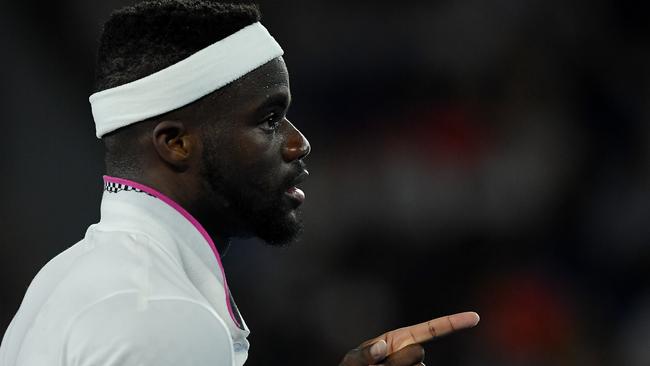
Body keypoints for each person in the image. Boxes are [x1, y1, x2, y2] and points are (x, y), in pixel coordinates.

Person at [0, 1, 479, 365]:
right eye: (270, 120)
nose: (299, 144)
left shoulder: (62, 280)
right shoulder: (163, 316)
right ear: (175, 144)